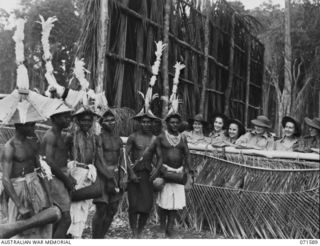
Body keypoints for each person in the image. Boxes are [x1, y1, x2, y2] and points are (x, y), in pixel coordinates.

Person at [2, 122, 52, 238]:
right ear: (20, 126)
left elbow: (39, 169)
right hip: (19, 190)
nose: (34, 128)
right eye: (30, 125)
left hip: (36, 186)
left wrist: (48, 196)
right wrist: (20, 206)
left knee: (42, 226)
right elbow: (5, 179)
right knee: (20, 229)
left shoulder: (32, 143)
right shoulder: (10, 147)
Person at [149, 112, 193, 238]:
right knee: (164, 201)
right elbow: (152, 154)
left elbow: (187, 154)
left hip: (179, 172)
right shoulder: (161, 137)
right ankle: (162, 227)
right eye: (172, 122)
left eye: (177, 122)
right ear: (167, 123)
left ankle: (170, 228)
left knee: (175, 203)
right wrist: (159, 168)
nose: (174, 125)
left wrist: (189, 170)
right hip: (165, 171)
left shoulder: (182, 138)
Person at [41, 104, 76, 238]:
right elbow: (49, 162)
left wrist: (69, 176)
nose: (69, 120)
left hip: (60, 175)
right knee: (66, 219)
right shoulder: (51, 136)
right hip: (54, 177)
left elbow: (61, 160)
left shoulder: (59, 135)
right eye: (65, 117)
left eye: (69, 117)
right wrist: (66, 179)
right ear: (54, 119)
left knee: (59, 216)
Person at [92, 109, 126, 238]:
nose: (110, 123)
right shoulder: (99, 138)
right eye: (107, 120)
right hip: (102, 175)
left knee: (112, 210)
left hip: (115, 175)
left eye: (112, 120)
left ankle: (101, 237)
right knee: (101, 209)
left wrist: (122, 177)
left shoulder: (118, 139)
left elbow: (121, 160)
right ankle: (95, 239)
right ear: (101, 122)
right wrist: (109, 178)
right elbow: (98, 160)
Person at [66, 106, 99, 238]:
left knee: (83, 207)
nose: (86, 123)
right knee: (73, 207)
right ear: (78, 121)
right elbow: (63, 157)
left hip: (88, 174)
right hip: (75, 174)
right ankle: (69, 235)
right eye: (83, 120)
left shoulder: (93, 138)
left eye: (89, 120)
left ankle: (77, 235)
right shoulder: (71, 137)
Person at [126, 110, 158, 238]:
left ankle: (140, 231)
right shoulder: (133, 137)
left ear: (152, 124)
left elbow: (160, 157)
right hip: (134, 173)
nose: (146, 124)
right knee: (133, 205)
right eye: (143, 122)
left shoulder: (155, 139)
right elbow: (124, 155)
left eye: (148, 122)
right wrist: (131, 173)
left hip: (148, 175)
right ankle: (134, 232)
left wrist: (157, 170)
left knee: (147, 206)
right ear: (140, 123)